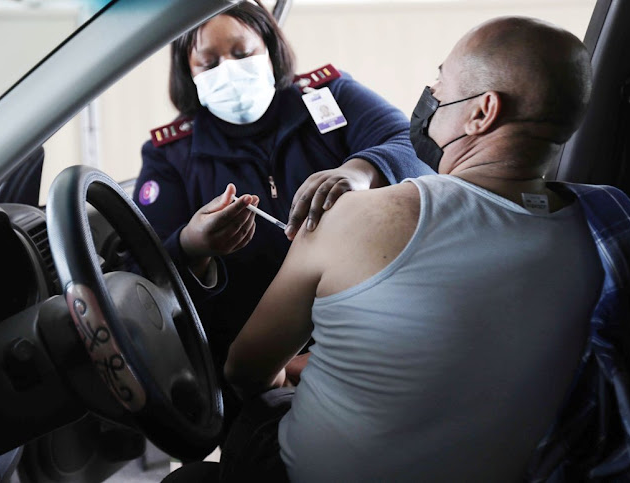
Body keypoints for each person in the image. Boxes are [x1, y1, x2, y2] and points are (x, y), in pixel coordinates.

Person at [220, 16, 630, 482]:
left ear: (482, 112)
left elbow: (245, 370)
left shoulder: (360, 217)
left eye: (441, 87)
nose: (430, 97)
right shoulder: (603, 233)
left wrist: (293, 376)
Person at [133, 0, 432, 400]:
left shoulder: (328, 96)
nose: (230, 70)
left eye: (242, 54)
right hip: (249, 369)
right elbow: (142, 268)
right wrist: (193, 244)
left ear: (270, 51)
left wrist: (357, 172)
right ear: (188, 73)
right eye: (209, 63)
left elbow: (415, 147)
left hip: (368, 341)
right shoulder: (171, 153)